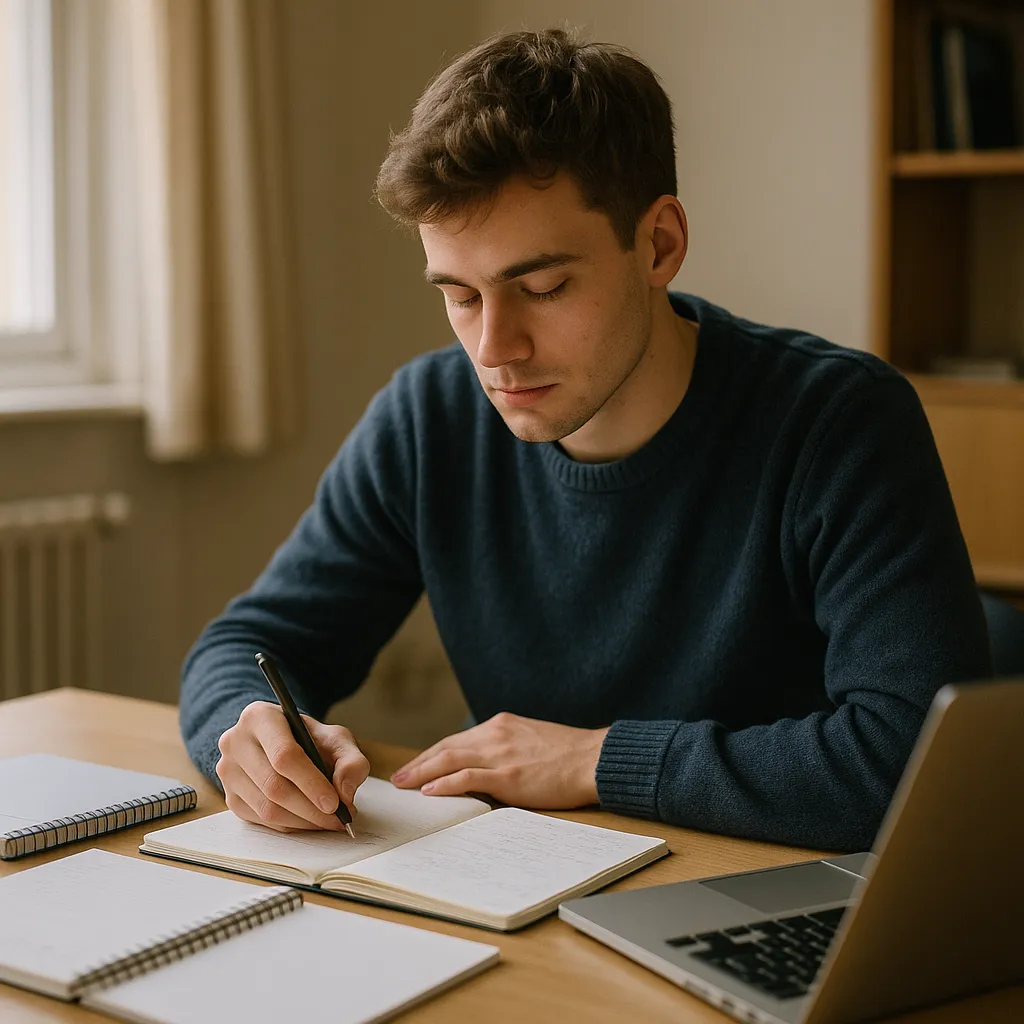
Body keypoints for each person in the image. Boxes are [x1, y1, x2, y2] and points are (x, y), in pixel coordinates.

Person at [180, 28, 991, 853]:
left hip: (763, 892)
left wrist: (597, 760)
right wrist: (251, 734)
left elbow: (912, 761)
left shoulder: (838, 420)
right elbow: (249, 646)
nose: (494, 349)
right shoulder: (427, 419)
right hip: (519, 870)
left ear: (659, 244)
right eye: (460, 296)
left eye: (542, 287)